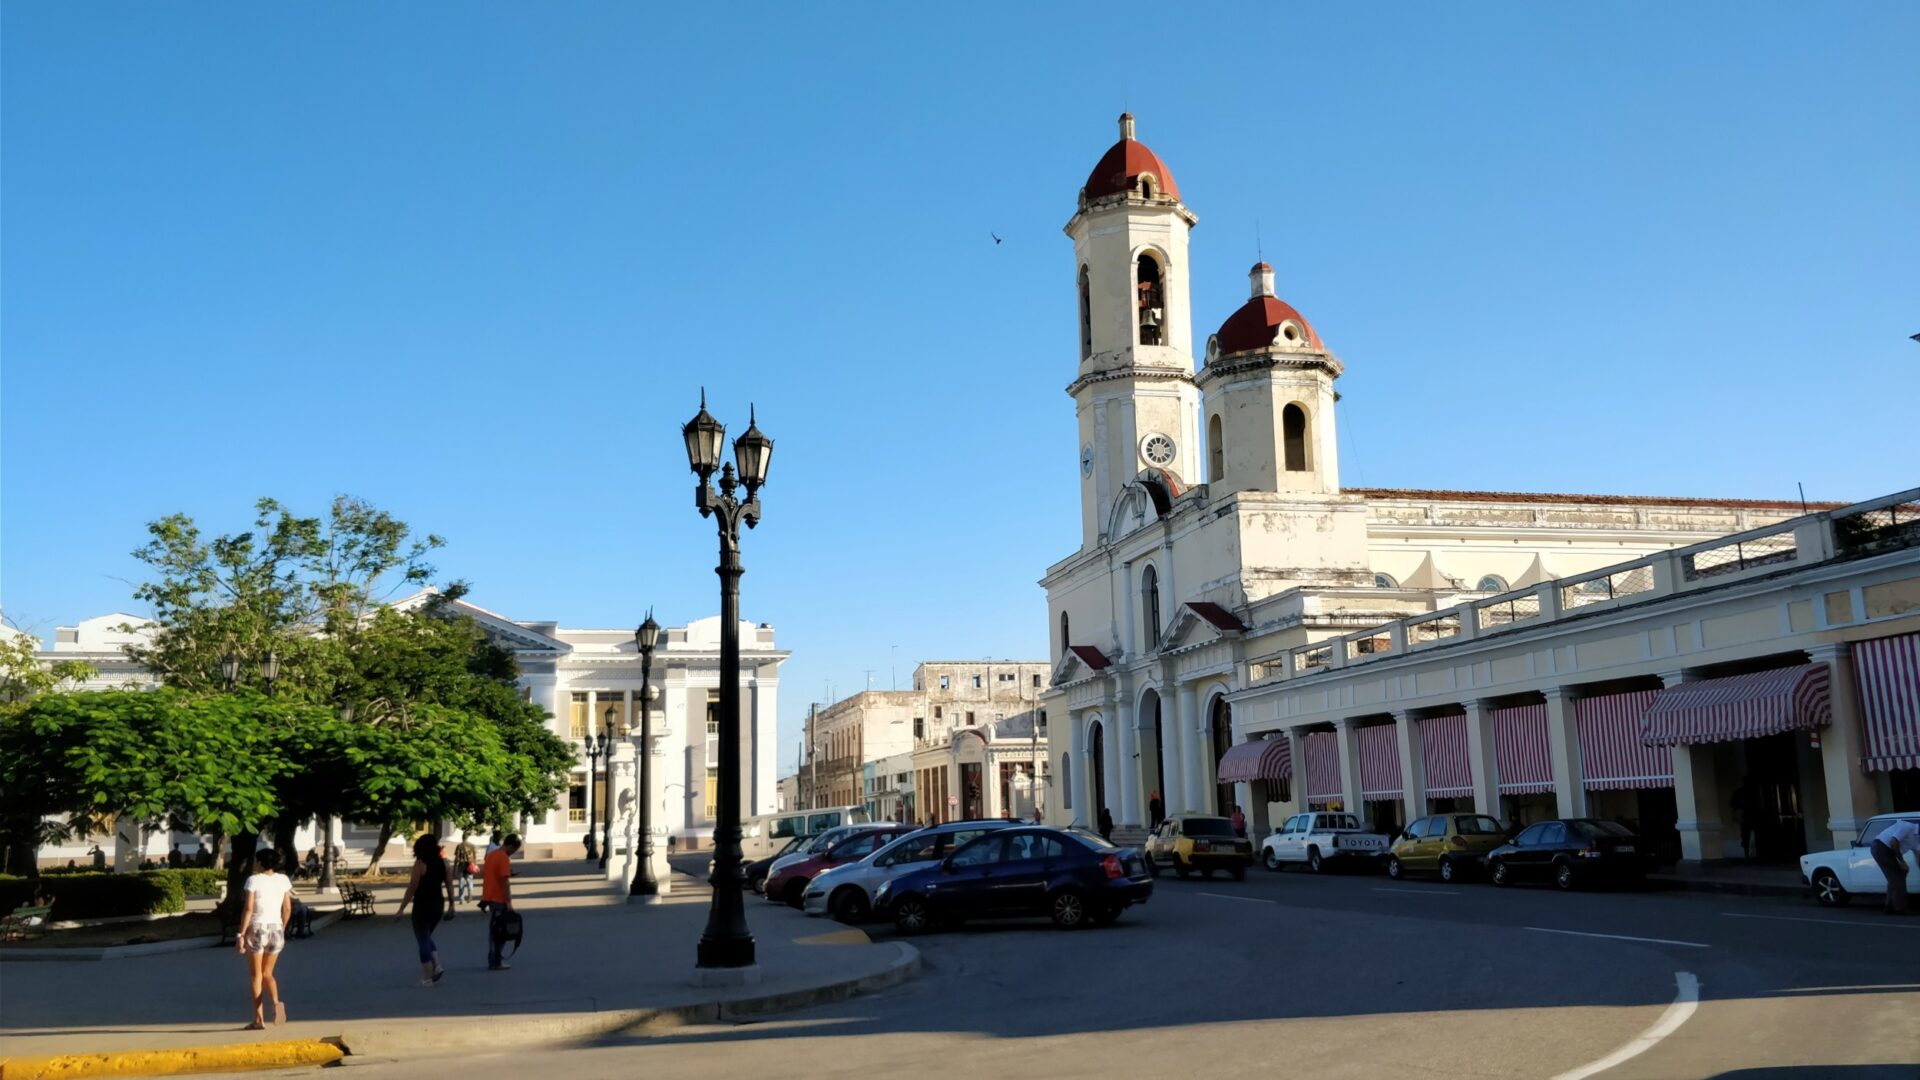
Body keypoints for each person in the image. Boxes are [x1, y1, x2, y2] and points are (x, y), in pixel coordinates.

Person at [236, 848, 293, 1029]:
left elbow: (248, 909)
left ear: (260, 862)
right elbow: (287, 909)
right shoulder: (283, 880)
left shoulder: (253, 880)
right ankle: (276, 1003)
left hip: (258, 928)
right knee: (268, 973)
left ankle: (259, 1020)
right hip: (276, 928)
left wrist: (241, 934)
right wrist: (282, 928)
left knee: (256, 976)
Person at [395, 834, 455, 986]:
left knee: (422, 940)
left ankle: (428, 977)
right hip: (438, 905)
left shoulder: (420, 865)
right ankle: (437, 965)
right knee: (426, 936)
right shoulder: (444, 863)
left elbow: (413, 887)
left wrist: (402, 908)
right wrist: (452, 904)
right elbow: (449, 884)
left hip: (422, 906)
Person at [479, 834, 521, 971]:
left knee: (494, 929)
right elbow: (505, 882)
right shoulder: (503, 858)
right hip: (499, 898)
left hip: (489, 897)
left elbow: (488, 875)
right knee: (501, 931)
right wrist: (509, 902)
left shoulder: (491, 855)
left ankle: (493, 958)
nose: (513, 852)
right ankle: (496, 960)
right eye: (514, 850)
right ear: (511, 846)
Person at [1869, 817, 1918, 916]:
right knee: (1897, 877)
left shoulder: (1917, 839)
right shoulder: (1907, 826)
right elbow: (1893, 843)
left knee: (1897, 876)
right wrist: (1902, 861)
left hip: (1889, 850)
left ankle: (1889, 906)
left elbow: (1918, 854)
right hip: (1881, 847)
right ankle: (1900, 908)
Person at [453, 835, 478, 903]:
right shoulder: (472, 845)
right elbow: (475, 857)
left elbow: (457, 858)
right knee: (470, 881)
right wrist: (475, 865)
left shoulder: (459, 846)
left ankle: (461, 899)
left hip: (462, 866)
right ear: (467, 838)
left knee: (461, 883)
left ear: (462, 838)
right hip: (470, 865)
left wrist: (454, 868)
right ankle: (470, 894)